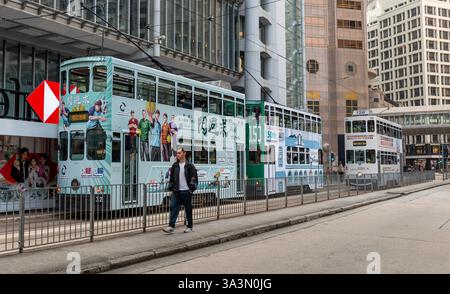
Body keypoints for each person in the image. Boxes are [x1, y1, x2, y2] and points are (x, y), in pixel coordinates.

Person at [163, 147, 198, 234]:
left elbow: (194, 179)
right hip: (176, 191)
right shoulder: (175, 165)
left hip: (186, 191)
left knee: (188, 209)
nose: (177, 155)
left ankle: (189, 226)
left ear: (184, 153)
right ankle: (171, 226)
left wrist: (191, 190)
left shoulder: (190, 166)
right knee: (173, 207)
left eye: (179, 153)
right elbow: (172, 179)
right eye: (177, 153)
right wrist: (171, 188)